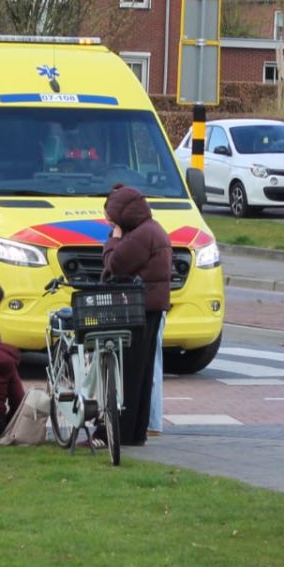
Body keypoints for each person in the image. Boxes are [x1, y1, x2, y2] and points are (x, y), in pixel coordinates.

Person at [102, 183, 171, 448]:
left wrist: (114, 239)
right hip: (152, 307)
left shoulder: (141, 235)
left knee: (129, 373)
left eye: (113, 218)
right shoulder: (153, 230)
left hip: (137, 309)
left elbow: (115, 265)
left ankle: (123, 430)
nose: (111, 223)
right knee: (141, 373)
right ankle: (136, 431)